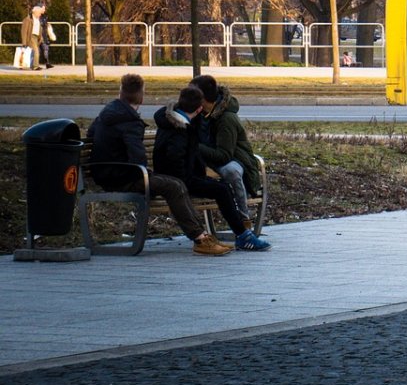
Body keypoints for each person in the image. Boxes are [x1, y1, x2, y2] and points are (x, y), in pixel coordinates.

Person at [86, 74, 231, 256]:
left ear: (121, 93)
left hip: (108, 173)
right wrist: (146, 174)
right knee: (174, 185)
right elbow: (137, 156)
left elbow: (91, 135)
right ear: (142, 96)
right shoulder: (129, 122)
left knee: (174, 183)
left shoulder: (107, 113)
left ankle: (203, 236)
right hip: (123, 177)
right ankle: (201, 239)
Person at [154, 85, 270, 251]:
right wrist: (193, 178)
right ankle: (243, 235)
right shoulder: (179, 128)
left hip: (183, 175)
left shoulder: (178, 119)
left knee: (221, 188)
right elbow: (175, 160)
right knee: (221, 189)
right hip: (177, 179)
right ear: (199, 108)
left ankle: (242, 233)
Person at [189, 74, 264, 238]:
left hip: (233, 159)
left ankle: (244, 219)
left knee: (231, 171)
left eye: (193, 95)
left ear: (203, 98)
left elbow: (224, 155)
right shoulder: (199, 114)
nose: (189, 99)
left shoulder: (226, 118)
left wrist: (195, 146)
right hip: (208, 158)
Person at [19, 3, 45, 70]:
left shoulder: (38, 20)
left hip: (36, 37)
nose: (40, 14)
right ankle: (35, 66)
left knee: (30, 52)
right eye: (39, 13)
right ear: (35, 12)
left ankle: (23, 65)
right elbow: (24, 31)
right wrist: (24, 42)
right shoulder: (28, 19)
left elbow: (39, 30)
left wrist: (41, 38)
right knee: (36, 51)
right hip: (30, 37)